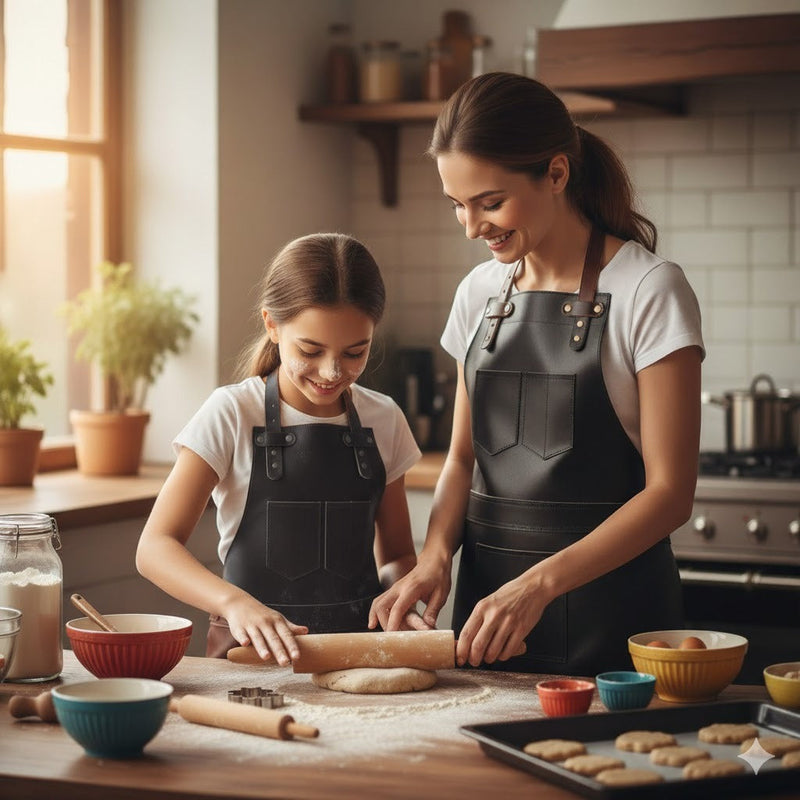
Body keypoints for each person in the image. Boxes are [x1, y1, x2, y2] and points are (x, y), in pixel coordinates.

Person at [369, 73, 704, 675]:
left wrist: (537, 586)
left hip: (618, 633)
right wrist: (436, 555)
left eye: (490, 202)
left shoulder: (651, 289)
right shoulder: (478, 294)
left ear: (556, 173)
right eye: (457, 206)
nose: (472, 228)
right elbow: (462, 461)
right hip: (488, 627)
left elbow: (670, 496)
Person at [136, 233, 421, 665]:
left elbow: (398, 555)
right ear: (272, 325)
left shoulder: (385, 418)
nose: (331, 371)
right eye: (310, 349)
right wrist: (234, 604)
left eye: (354, 352)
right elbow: (155, 547)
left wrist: (400, 595)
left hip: (356, 660)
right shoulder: (232, 411)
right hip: (247, 662)